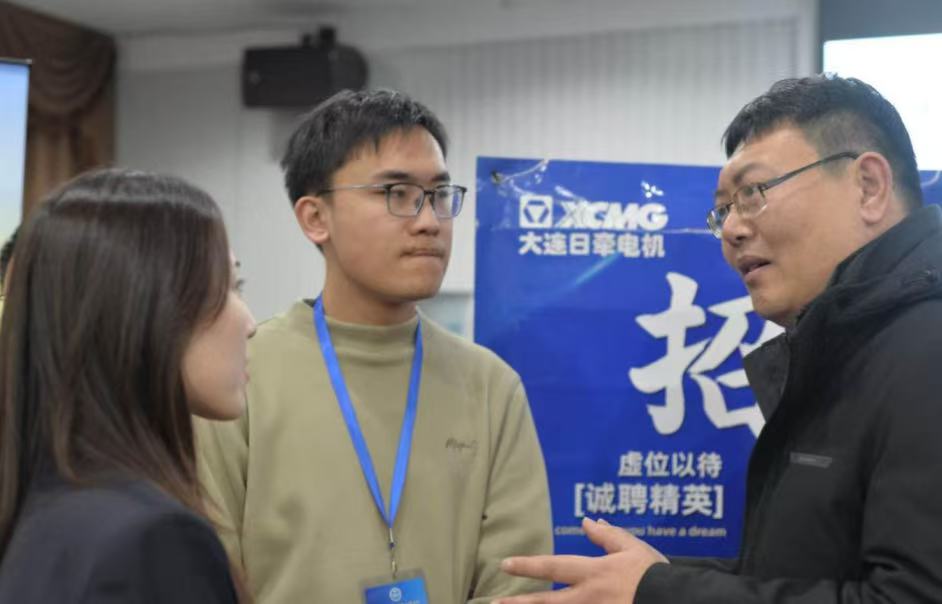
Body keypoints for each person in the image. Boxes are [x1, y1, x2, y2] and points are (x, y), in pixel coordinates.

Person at [496, 74, 942, 603]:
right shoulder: (851, 350)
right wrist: (655, 579)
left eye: (753, 193)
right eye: (724, 209)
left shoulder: (927, 347)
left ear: (868, 186)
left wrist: (663, 593)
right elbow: (806, 574)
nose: (731, 230)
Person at [195, 89, 553, 603]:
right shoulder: (240, 375)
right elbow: (208, 574)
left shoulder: (490, 386)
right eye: (397, 193)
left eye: (439, 194)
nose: (429, 220)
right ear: (315, 218)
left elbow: (517, 584)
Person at [0, 168, 257, 603]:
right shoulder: (153, 540)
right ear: (146, 310)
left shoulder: (41, 512)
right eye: (227, 288)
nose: (249, 322)